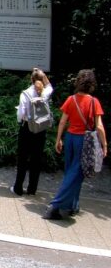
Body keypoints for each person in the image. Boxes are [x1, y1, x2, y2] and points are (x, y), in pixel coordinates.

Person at [43, 70, 107, 220]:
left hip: (70, 138)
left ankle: (73, 205)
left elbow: (63, 121)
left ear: (78, 82)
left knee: (71, 172)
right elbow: (99, 126)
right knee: (76, 174)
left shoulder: (71, 99)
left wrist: (58, 139)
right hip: (84, 141)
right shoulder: (93, 102)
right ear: (91, 84)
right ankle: (55, 206)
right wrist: (104, 145)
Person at [10, 69, 52, 196]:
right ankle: (32, 189)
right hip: (41, 129)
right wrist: (44, 76)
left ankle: (18, 188)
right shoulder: (46, 92)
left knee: (22, 158)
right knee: (36, 159)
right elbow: (50, 86)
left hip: (27, 128)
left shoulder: (26, 94)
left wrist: (22, 118)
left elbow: (21, 114)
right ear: (42, 79)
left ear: (31, 79)